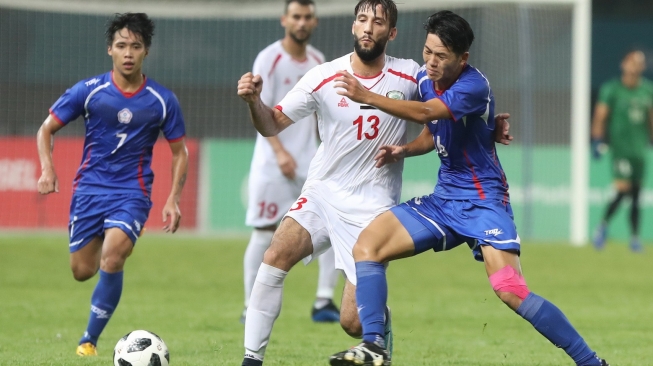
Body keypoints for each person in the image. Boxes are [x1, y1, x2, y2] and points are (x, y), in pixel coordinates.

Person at [237, 2, 512, 365]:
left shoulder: (411, 77)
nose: (369, 28)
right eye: (363, 20)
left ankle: (379, 337)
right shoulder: (323, 76)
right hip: (323, 192)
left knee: (352, 321)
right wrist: (255, 101)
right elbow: (271, 124)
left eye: (378, 22)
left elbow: (447, 110)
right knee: (275, 257)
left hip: (372, 207)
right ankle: (250, 359)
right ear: (353, 27)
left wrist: (489, 126)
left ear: (391, 33)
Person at [329, 10, 609, 366]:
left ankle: (590, 362)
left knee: (510, 289)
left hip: (482, 202)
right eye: (427, 51)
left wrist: (367, 96)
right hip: (443, 200)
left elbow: (425, 112)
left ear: (463, 59)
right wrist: (405, 149)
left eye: (440, 56)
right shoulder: (427, 77)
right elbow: (431, 132)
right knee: (368, 245)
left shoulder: (473, 86)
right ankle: (373, 346)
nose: (430, 62)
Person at [36, 13, 188, 357]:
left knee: (113, 256)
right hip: (89, 191)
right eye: (122, 46)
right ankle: (117, 233)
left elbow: (180, 152)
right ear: (110, 50)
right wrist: (48, 169)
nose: (128, 53)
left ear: (146, 51)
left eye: (136, 46)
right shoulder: (89, 91)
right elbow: (46, 129)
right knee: (82, 271)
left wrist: (172, 199)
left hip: (132, 193)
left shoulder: (163, 100)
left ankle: (88, 341)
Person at [242, 0, 341, 325]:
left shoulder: (317, 61)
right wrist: (281, 152)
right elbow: (261, 109)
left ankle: (324, 301)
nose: (302, 22)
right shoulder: (269, 58)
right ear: (285, 19)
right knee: (264, 232)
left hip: (310, 163)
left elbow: (320, 113)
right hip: (272, 165)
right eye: (296, 16)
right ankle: (249, 305)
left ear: (315, 22)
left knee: (330, 227)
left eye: (307, 17)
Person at [591, 50, 653, 252]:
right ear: (624, 64)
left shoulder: (647, 90)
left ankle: (634, 238)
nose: (635, 66)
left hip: (639, 151)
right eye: (632, 62)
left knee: (636, 193)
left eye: (639, 63)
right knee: (623, 189)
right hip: (621, 150)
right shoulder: (612, 90)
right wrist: (597, 139)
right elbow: (601, 115)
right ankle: (602, 227)